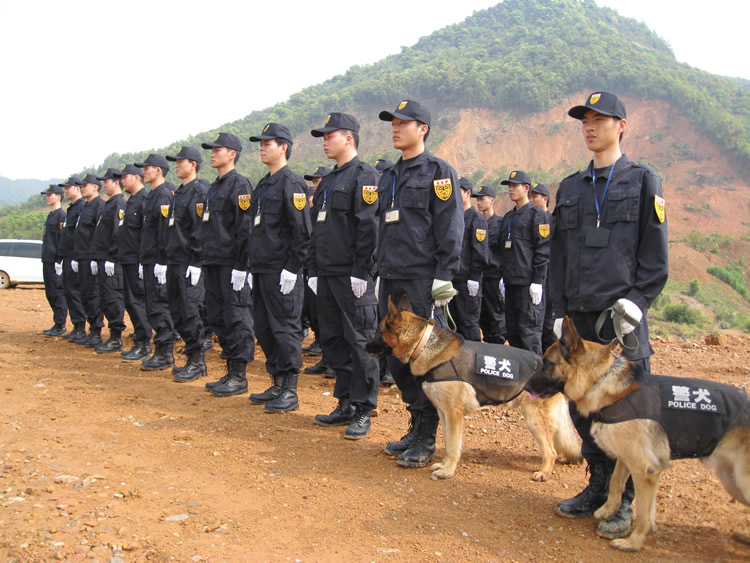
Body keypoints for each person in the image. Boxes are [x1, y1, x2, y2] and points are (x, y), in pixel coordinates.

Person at [550, 91, 668, 539]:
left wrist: (638, 301)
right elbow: (558, 255)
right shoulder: (571, 187)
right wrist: (558, 313)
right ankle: (598, 486)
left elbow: (655, 254)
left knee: (627, 414)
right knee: (583, 410)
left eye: (600, 119)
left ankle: (627, 502)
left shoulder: (642, 181)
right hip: (579, 323)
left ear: (622, 126)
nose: (590, 126)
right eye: (585, 119)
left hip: (621, 321)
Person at [375, 100, 463, 467]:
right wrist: (376, 270)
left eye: (403, 123)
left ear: (422, 128)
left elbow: (450, 225)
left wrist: (445, 274)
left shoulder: (439, 173)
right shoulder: (388, 176)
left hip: (421, 279)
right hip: (390, 277)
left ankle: (427, 436)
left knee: (422, 358)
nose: (395, 128)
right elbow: (381, 227)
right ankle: (415, 422)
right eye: (393, 123)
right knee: (396, 355)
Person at [307, 112, 380, 439]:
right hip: (327, 274)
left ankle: (363, 408)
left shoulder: (365, 176)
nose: (324, 142)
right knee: (333, 340)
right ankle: (346, 402)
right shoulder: (329, 181)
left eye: (329, 136)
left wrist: (362, 271)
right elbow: (317, 230)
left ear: (348, 138)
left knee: (360, 341)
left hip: (352, 277)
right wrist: (313, 269)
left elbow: (369, 227)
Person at [247, 123, 311, 412]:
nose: (262, 148)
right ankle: (276, 381)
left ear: (283, 147)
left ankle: (290, 389)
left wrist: (292, 268)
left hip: (282, 271)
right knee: (264, 327)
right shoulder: (263, 185)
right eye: (260, 144)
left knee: (285, 328)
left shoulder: (292, 183)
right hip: (261, 268)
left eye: (267, 143)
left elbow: (302, 232)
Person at [198, 132, 254, 397]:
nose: (212, 154)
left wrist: (242, 266)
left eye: (217, 150)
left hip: (231, 264)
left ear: (232, 154)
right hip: (212, 261)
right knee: (218, 317)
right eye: (211, 150)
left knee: (236, 318)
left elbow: (245, 228)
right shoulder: (214, 188)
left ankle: (239, 375)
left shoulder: (239, 185)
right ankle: (230, 370)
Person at [165, 146, 210, 382]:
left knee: (190, 311)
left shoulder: (199, 192)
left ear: (193, 164)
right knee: (177, 311)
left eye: (181, 161)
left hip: (189, 262)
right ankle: (191, 357)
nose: (177, 165)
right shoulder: (180, 192)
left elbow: (200, 229)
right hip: (174, 260)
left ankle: (197, 361)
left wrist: (196, 260)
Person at [498, 170, 550, 355]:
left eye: (514, 186)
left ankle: (535, 373)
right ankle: (520, 373)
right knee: (513, 333)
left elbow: (543, 250)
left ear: (526, 188)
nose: (510, 190)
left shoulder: (537, 215)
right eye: (509, 186)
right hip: (511, 283)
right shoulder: (508, 217)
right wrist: (502, 277)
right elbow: (503, 251)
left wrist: (538, 281)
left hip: (528, 285)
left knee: (529, 334)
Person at [135, 154, 175, 370]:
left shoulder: (163, 196)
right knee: (152, 306)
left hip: (158, 261)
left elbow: (165, 232)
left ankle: (165, 352)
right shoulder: (151, 196)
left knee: (160, 306)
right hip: (149, 260)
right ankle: (161, 349)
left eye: (147, 168)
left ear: (158, 170)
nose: (144, 172)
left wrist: (162, 261)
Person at [116, 164, 153, 361]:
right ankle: (139, 339)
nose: (123, 181)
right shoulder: (131, 201)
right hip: (126, 258)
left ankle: (144, 343)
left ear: (136, 178)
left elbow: (146, 234)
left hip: (137, 260)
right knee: (130, 302)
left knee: (138, 302)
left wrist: (142, 260)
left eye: (126, 177)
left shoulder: (144, 200)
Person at [89, 168, 126, 353]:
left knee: (113, 299)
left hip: (112, 261)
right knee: (105, 299)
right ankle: (112, 336)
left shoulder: (119, 203)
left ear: (116, 183)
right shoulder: (109, 204)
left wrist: (112, 257)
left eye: (107, 182)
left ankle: (116, 338)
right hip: (103, 260)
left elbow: (118, 233)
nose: (104, 185)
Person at [448, 177, 488, 341]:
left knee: (469, 325)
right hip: (453, 279)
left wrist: (475, 277)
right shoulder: (453, 217)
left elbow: (480, 250)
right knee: (453, 325)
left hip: (467, 282)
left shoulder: (476, 218)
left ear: (468, 193)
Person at [300, 166, 331, 372]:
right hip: (313, 265)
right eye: (313, 181)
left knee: (330, 316)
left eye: (318, 181)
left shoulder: (328, 203)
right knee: (315, 310)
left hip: (330, 266)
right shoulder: (314, 209)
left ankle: (332, 358)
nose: (315, 185)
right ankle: (324, 352)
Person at [72, 174, 105, 347]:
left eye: (86, 185)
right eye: (81, 185)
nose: (82, 188)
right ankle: (91, 329)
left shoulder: (99, 205)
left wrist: (95, 257)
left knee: (93, 295)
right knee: (84, 294)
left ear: (95, 187)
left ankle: (96, 331)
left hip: (91, 258)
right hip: (81, 257)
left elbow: (99, 235)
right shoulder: (85, 206)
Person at [471, 185, 506, 344]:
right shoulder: (476, 222)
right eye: (477, 199)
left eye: (482, 199)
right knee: (481, 316)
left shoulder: (500, 224)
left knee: (496, 317)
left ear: (492, 200)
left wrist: (503, 277)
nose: (479, 202)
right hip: (478, 277)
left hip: (493, 278)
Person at [57, 177, 87, 342]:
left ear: (77, 189)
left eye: (69, 188)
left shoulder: (81, 206)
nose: (66, 191)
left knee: (75, 292)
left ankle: (80, 326)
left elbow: (78, 235)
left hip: (75, 256)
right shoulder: (72, 208)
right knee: (68, 291)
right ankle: (76, 325)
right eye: (65, 188)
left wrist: (75, 256)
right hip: (67, 255)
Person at [529, 182, 557, 353]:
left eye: (535, 197)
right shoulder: (531, 220)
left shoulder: (552, 221)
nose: (531, 200)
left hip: (551, 277)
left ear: (545, 199)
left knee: (549, 325)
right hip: (536, 277)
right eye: (530, 197)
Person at [40, 184, 67, 336]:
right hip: (47, 259)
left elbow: (62, 240)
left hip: (55, 260)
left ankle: (60, 324)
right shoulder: (50, 215)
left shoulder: (61, 216)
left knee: (57, 292)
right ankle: (57, 322)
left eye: (50, 195)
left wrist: (60, 261)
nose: (47, 197)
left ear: (58, 197)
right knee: (50, 292)